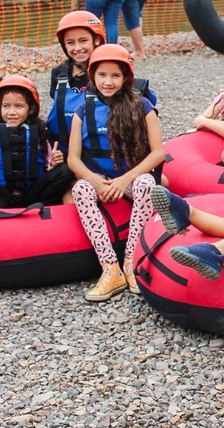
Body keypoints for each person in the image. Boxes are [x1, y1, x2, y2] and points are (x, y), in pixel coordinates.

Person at [67, 44, 164, 302]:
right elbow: (73, 159)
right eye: (102, 75)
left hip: (129, 179)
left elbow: (157, 154)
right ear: (93, 77)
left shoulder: (142, 106)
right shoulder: (81, 112)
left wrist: (125, 179)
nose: (108, 82)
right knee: (79, 189)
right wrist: (95, 181)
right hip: (99, 179)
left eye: (115, 76)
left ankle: (131, 261)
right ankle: (111, 268)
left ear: (125, 78)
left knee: (146, 183)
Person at [0, 76, 73, 208]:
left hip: (30, 194)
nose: (12, 112)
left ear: (30, 109)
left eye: (19, 106)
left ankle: (40, 208)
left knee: (65, 171)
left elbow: (48, 164)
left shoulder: (39, 132)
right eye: (6, 106)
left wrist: (54, 162)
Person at [48, 10, 104, 159]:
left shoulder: (108, 73)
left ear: (96, 39)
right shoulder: (58, 74)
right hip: (65, 150)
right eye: (70, 43)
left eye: (83, 40)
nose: (77, 48)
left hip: (100, 150)